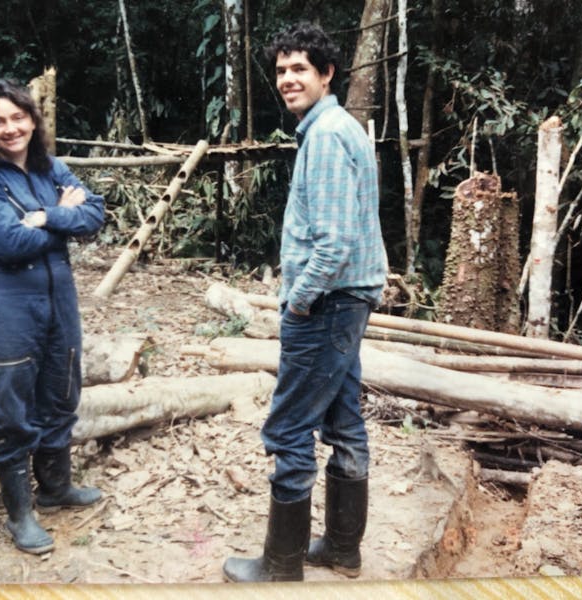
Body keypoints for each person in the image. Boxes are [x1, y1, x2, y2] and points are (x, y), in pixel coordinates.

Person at [223, 23, 387, 582]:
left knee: (289, 428)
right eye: (281, 70)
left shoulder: (326, 135)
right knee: (343, 420)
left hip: (327, 307)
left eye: (300, 69)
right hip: (344, 304)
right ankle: (342, 549)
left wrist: (298, 302)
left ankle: (281, 564)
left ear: (327, 74)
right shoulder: (337, 128)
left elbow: (335, 242)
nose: (288, 79)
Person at [0, 78, 105, 554]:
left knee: (62, 389)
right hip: (6, 300)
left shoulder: (51, 167)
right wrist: (61, 215)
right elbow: (8, 242)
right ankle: (20, 515)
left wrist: (43, 218)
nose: (9, 128)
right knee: (12, 404)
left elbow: (95, 215)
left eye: (17, 117)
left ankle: (57, 487)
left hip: (58, 296)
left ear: (33, 119)